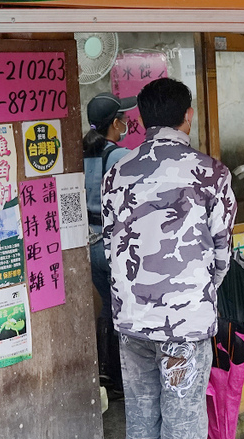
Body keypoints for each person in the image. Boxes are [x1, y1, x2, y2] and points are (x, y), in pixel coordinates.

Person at [101, 78, 239, 439]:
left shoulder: (116, 172)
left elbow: (110, 243)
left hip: (130, 317)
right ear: (189, 115)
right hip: (182, 320)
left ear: (140, 118)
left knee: (142, 407)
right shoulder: (210, 173)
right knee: (182, 412)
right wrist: (201, 294)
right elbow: (222, 252)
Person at [83, 92, 135, 395]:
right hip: (113, 243)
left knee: (106, 307)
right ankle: (121, 378)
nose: (127, 122)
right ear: (115, 123)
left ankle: (105, 373)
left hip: (89, 243)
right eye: (124, 118)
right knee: (124, 308)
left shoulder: (82, 152)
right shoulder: (117, 156)